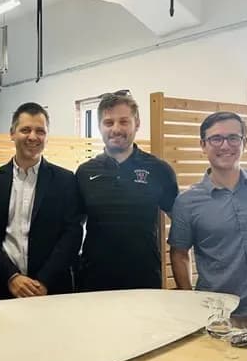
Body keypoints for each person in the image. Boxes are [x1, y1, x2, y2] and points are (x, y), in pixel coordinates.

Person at [168, 112, 247, 327]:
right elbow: (179, 253)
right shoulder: (187, 202)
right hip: (221, 315)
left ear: (244, 142)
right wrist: (189, 302)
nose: (225, 145)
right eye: (216, 139)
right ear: (203, 145)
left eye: (233, 138)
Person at [0, 102, 82, 300]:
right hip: (1, 286)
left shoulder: (65, 180)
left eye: (40, 131)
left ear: (47, 137)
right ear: (12, 133)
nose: (33, 137)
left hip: (51, 289)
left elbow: (72, 233)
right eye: (25, 130)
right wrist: (12, 277)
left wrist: (44, 281)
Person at [76, 91, 178, 291]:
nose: (116, 129)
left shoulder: (159, 170)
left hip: (144, 279)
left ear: (136, 123)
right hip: (94, 281)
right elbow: (73, 227)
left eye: (124, 121)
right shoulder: (85, 172)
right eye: (108, 122)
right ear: (99, 126)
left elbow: (181, 222)